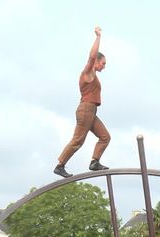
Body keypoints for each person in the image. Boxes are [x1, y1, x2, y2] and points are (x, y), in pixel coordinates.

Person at [54, 26, 110, 178]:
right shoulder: (88, 73)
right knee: (78, 140)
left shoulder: (94, 76)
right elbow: (92, 56)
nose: (104, 67)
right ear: (96, 61)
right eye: (103, 63)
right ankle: (60, 165)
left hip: (91, 111)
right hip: (86, 109)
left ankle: (95, 162)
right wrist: (98, 37)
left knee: (105, 137)